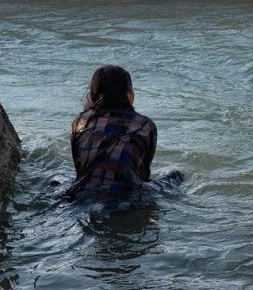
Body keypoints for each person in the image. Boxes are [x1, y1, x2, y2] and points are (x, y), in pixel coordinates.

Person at [66, 65, 180, 201]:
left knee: (60, 178)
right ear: (129, 93)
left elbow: (80, 171)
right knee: (175, 175)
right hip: (126, 198)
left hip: (82, 194)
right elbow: (143, 175)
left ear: (93, 94)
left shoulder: (80, 122)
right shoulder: (144, 125)